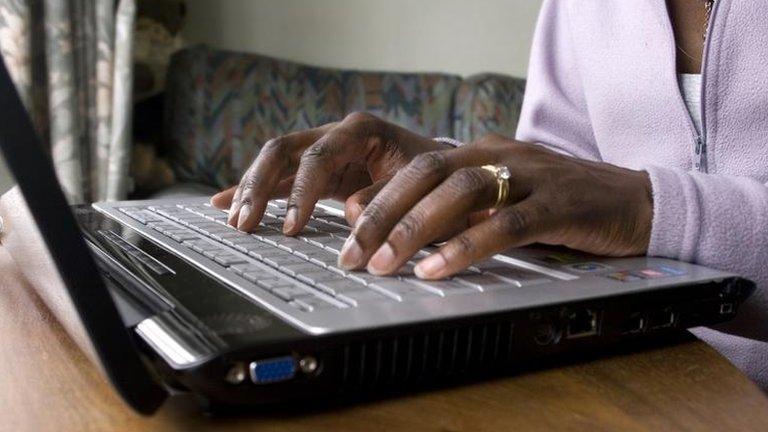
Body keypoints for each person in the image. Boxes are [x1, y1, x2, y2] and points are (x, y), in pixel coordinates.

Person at [211, 0, 768, 389]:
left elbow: (616, 199)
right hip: (618, 384)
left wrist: (651, 210)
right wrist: (446, 177)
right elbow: (561, 182)